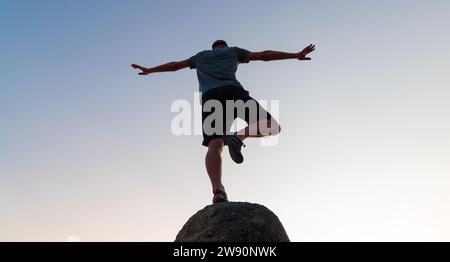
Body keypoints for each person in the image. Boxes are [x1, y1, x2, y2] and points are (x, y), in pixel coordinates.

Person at [132, 40, 315, 203]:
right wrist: (295, 55)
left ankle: (218, 190)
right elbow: (264, 56)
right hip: (233, 92)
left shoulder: (201, 57)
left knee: (215, 143)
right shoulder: (233, 52)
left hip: (210, 98)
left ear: (212, 48)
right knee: (272, 126)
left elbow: (174, 66)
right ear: (224, 47)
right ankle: (238, 136)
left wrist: (150, 70)